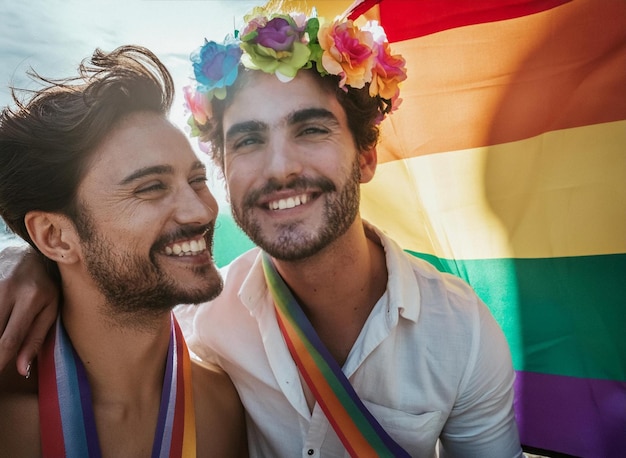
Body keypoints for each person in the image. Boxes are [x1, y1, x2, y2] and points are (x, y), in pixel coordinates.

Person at [0, 6, 523, 457]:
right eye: (248, 140)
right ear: (227, 169)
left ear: (366, 155)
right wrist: (31, 263)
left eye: (311, 129)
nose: (279, 168)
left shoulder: (464, 336)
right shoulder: (201, 316)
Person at [0, 45, 247, 456]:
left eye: (198, 179)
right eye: (151, 187)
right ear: (55, 238)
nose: (200, 210)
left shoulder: (222, 405)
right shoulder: (9, 423)